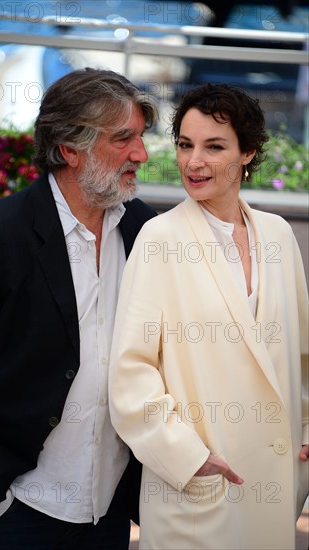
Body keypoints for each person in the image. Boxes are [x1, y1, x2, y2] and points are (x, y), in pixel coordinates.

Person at [0, 67, 158, 549]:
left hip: (108, 511)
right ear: (69, 149)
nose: (141, 154)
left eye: (140, 138)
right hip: (9, 507)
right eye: (123, 139)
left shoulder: (145, 229)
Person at [109, 83, 309, 550]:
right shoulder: (159, 239)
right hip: (198, 492)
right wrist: (187, 458)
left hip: (276, 486)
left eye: (214, 146)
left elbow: (302, 354)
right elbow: (130, 374)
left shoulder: (278, 236)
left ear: (248, 153)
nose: (193, 161)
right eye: (184, 144)